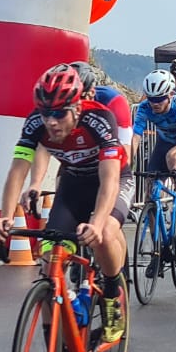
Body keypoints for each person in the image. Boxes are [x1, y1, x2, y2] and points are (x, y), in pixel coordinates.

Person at [0, 66, 130, 352]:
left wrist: (95, 222)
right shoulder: (35, 125)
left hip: (113, 181)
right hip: (72, 186)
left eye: (59, 113)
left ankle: (111, 295)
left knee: (105, 232)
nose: (51, 121)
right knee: (51, 264)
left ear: (78, 106)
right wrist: (5, 216)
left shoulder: (99, 120)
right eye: (45, 113)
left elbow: (109, 180)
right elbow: (17, 170)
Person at [26, 61, 134, 239]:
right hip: (77, 164)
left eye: (81, 97)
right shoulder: (60, 109)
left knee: (107, 227)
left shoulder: (113, 102)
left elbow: (125, 148)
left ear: (92, 92)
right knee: (63, 213)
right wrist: (36, 183)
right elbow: (43, 147)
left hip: (109, 159)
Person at [133, 69, 176, 242]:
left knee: (173, 159)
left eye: (159, 99)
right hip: (163, 143)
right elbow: (135, 138)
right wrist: (126, 164)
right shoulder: (144, 107)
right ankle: (158, 249)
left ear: (170, 94)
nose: (154, 103)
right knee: (150, 190)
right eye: (151, 98)